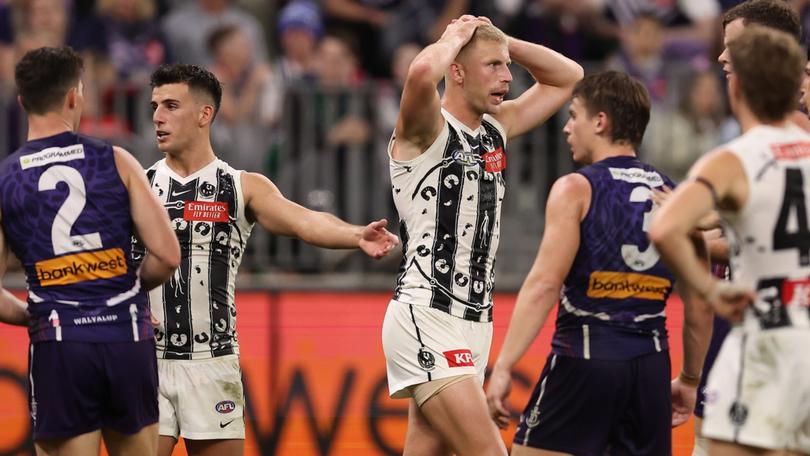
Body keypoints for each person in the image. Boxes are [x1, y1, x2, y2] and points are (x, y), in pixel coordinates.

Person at [142, 63, 399, 456]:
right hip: (148, 360)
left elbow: (304, 220)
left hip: (214, 361)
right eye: (155, 105)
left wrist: (354, 235)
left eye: (171, 105)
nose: (158, 116)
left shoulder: (241, 186)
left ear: (204, 114)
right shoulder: (139, 185)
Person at [383, 15, 583, 455]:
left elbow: (569, 77)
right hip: (426, 314)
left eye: (506, 65)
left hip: (476, 321)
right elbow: (419, 73)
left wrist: (503, 40)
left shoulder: (497, 126)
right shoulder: (424, 128)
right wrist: (455, 37)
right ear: (456, 70)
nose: (508, 77)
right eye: (493, 65)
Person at [485, 70, 712, 455]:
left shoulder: (576, 188)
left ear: (601, 122)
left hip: (587, 357)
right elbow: (701, 303)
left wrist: (505, 364)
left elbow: (544, 284)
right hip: (651, 366)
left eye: (575, 116)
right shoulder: (676, 196)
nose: (567, 129)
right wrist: (689, 379)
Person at [0, 46, 180, 456]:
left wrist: (37, 313)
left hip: (61, 342)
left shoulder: (6, 179)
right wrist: (130, 288)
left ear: (23, 102)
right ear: (73, 97)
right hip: (126, 335)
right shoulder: (115, 160)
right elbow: (168, 254)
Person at [650, 26, 810, 456]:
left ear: (739, 86)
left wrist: (708, 288)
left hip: (763, 336)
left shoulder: (733, 158)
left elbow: (664, 227)